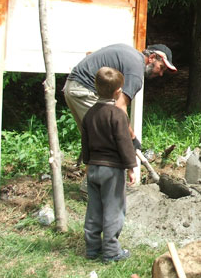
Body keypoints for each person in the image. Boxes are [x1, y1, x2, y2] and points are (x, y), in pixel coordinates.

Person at [63, 43, 177, 161]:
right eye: (161, 67)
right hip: (84, 91)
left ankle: (93, 176)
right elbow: (120, 107)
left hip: (74, 86)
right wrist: (132, 138)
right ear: (152, 58)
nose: (161, 73)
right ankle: (99, 177)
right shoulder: (136, 70)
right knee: (108, 143)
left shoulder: (130, 54)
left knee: (95, 139)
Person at [81, 67, 137, 263]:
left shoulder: (89, 114)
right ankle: (112, 251)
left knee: (94, 209)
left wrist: (87, 162)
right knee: (114, 209)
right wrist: (131, 167)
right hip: (112, 170)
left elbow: (85, 141)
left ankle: (92, 248)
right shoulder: (117, 115)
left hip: (94, 168)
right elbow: (124, 142)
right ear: (118, 92)